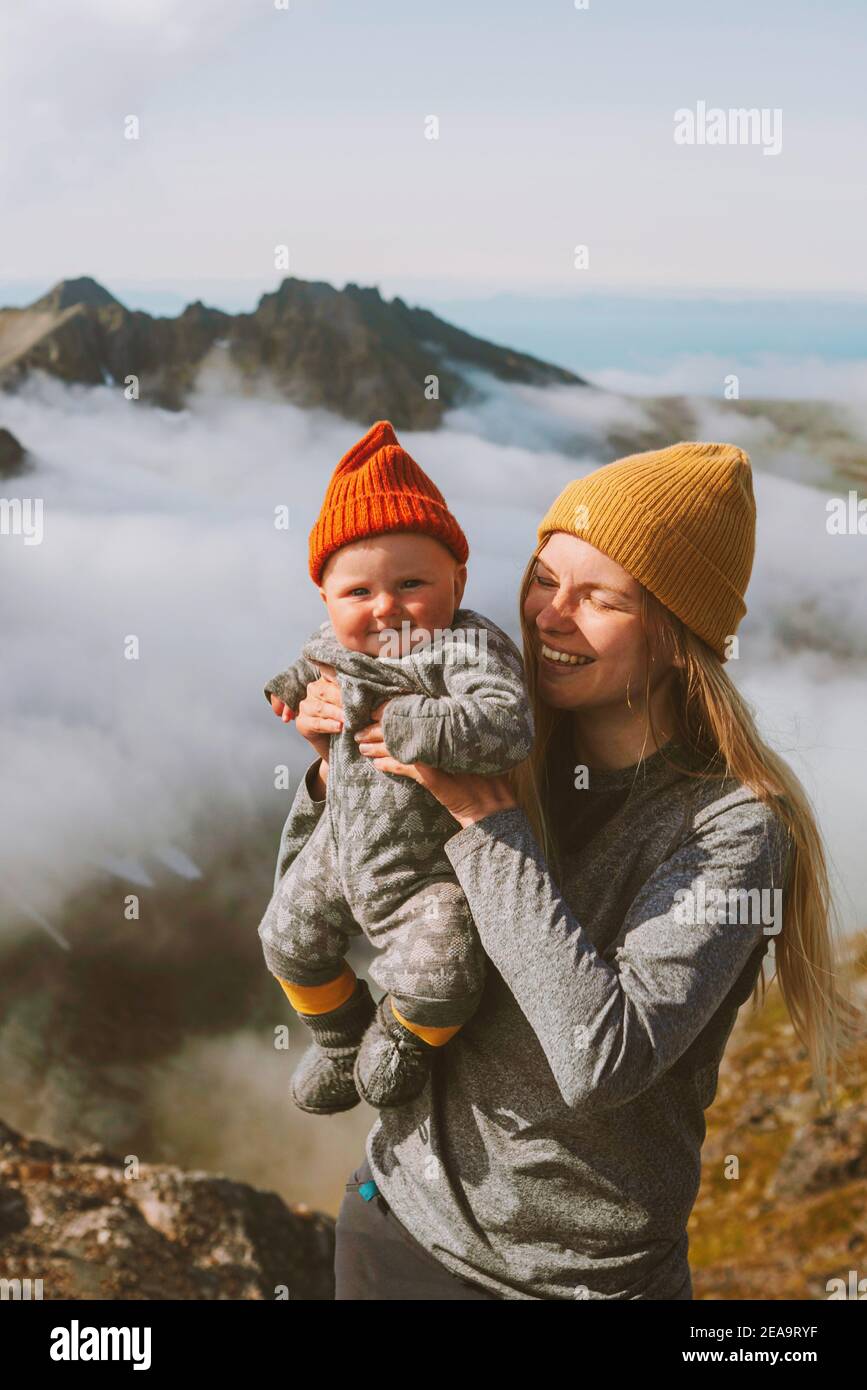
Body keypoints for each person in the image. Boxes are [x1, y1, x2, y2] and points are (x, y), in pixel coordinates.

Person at [271, 439, 860, 1300]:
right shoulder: (479, 730)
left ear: (673, 635)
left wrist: (486, 819)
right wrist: (336, 776)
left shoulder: (732, 830)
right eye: (544, 579)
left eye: (598, 598)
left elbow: (601, 1061)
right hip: (393, 1227)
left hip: (578, 1283)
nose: (549, 615)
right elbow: (315, 900)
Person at [257, 420, 533, 1114]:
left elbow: (507, 724)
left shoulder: (463, 648)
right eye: (357, 593)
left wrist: (412, 721)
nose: (385, 608)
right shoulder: (336, 642)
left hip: (427, 866)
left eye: (411, 582)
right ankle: (341, 1041)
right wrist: (289, 689)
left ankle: (400, 1039)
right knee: (285, 940)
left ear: (457, 580)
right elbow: (319, 659)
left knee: (443, 976)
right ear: (325, 597)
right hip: (340, 847)